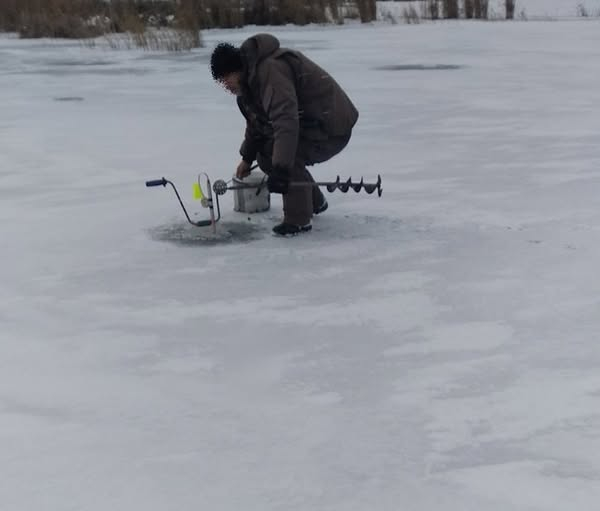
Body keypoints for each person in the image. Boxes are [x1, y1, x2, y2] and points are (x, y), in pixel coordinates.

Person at [210, 33, 359, 236]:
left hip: (331, 126)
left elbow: (285, 122)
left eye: (226, 77)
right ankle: (315, 201)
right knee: (265, 155)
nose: (225, 85)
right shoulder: (248, 89)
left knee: (282, 153)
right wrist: (247, 158)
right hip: (309, 125)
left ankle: (298, 220)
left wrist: (280, 169)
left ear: (237, 69)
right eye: (221, 81)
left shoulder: (270, 72)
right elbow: (257, 126)